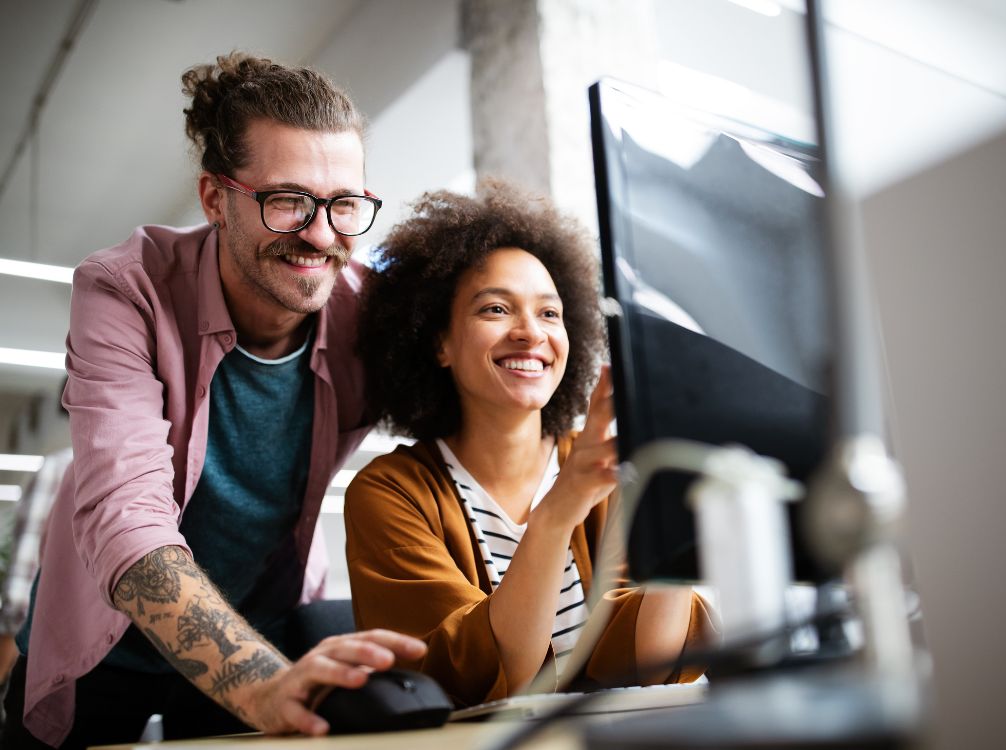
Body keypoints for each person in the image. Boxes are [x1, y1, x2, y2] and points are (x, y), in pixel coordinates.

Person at [0, 53, 425, 748]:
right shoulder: (125, 290)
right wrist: (259, 684)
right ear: (213, 198)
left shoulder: (367, 319)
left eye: (343, 204)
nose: (321, 234)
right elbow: (125, 515)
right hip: (103, 641)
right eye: (287, 200)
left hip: (260, 621)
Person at [344, 184, 715, 708]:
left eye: (549, 313)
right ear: (439, 343)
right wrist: (558, 511)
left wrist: (670, 502)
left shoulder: (604, 469)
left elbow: (649, 658)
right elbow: (478, 678)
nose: (530, 333)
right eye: (496, 309)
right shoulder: (390, 493)